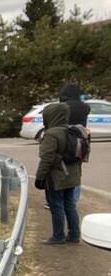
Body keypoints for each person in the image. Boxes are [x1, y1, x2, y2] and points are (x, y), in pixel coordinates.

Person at [36, 103, 82, 244]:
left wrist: (40, 177)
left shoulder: (51, 134)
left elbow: (46, 158)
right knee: (70, 205)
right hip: (73, 176)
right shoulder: (74, 131)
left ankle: (58, 236)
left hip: (57, 177)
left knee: (56, 206)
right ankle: (74, 235)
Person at [59, 83, 90, 203]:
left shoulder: (63, 106)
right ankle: (74, 199)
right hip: (81, 142)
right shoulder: (85, 107)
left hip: (66, 140)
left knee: (61, 168)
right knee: (77, 169)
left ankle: (61, 198)